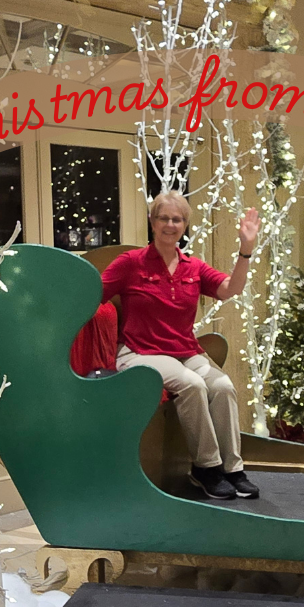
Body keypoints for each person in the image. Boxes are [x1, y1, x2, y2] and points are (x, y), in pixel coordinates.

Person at [101, 192, 261, 500]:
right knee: (192, 385)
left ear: (185, 225)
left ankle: (233, 469)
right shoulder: (130, 263)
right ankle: (206, 468)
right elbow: (93, 294)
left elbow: (230, 289)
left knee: (224, 386)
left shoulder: (193, 267)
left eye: (177, 219)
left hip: (185, 350)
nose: (170, 224)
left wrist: (246, 250)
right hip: (139, 352)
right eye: (164, 218)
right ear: (152, 221)